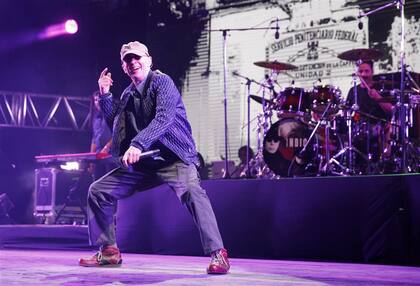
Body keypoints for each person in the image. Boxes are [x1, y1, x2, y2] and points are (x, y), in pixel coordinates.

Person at [79, 41, 230, 274]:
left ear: (149, 60)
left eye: (137, 57)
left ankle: (218, 254)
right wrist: (106, 95)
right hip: (145, 163)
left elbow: (164, 118)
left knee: (192, 191)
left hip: (175, 158)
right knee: (98, 191)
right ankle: (108, 251)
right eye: (128, 60)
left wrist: (138, 144)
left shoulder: (162, 82)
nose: (133, 62)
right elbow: (117, 128)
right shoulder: (128, 93)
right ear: (123, 67)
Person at [346, 60, 393, 164]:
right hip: (357, 130)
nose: (364, 74)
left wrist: (378, 97)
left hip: (379, 129)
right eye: (361, 71)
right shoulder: (353, 91)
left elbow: (391, 109)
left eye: (367, 71)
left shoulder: (381, 88)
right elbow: (347, 112)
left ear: (372, 72)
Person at [88, 90, 113, 180]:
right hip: (98, 155)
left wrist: (107, 148)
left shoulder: (112, 114)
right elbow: (94, 139)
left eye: (99, 99)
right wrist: (91, 159)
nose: (97, 101)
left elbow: (118, 133)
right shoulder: (95, 118)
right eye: (95, 100)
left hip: (111, 154)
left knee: (110, 181)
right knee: (97, 181)